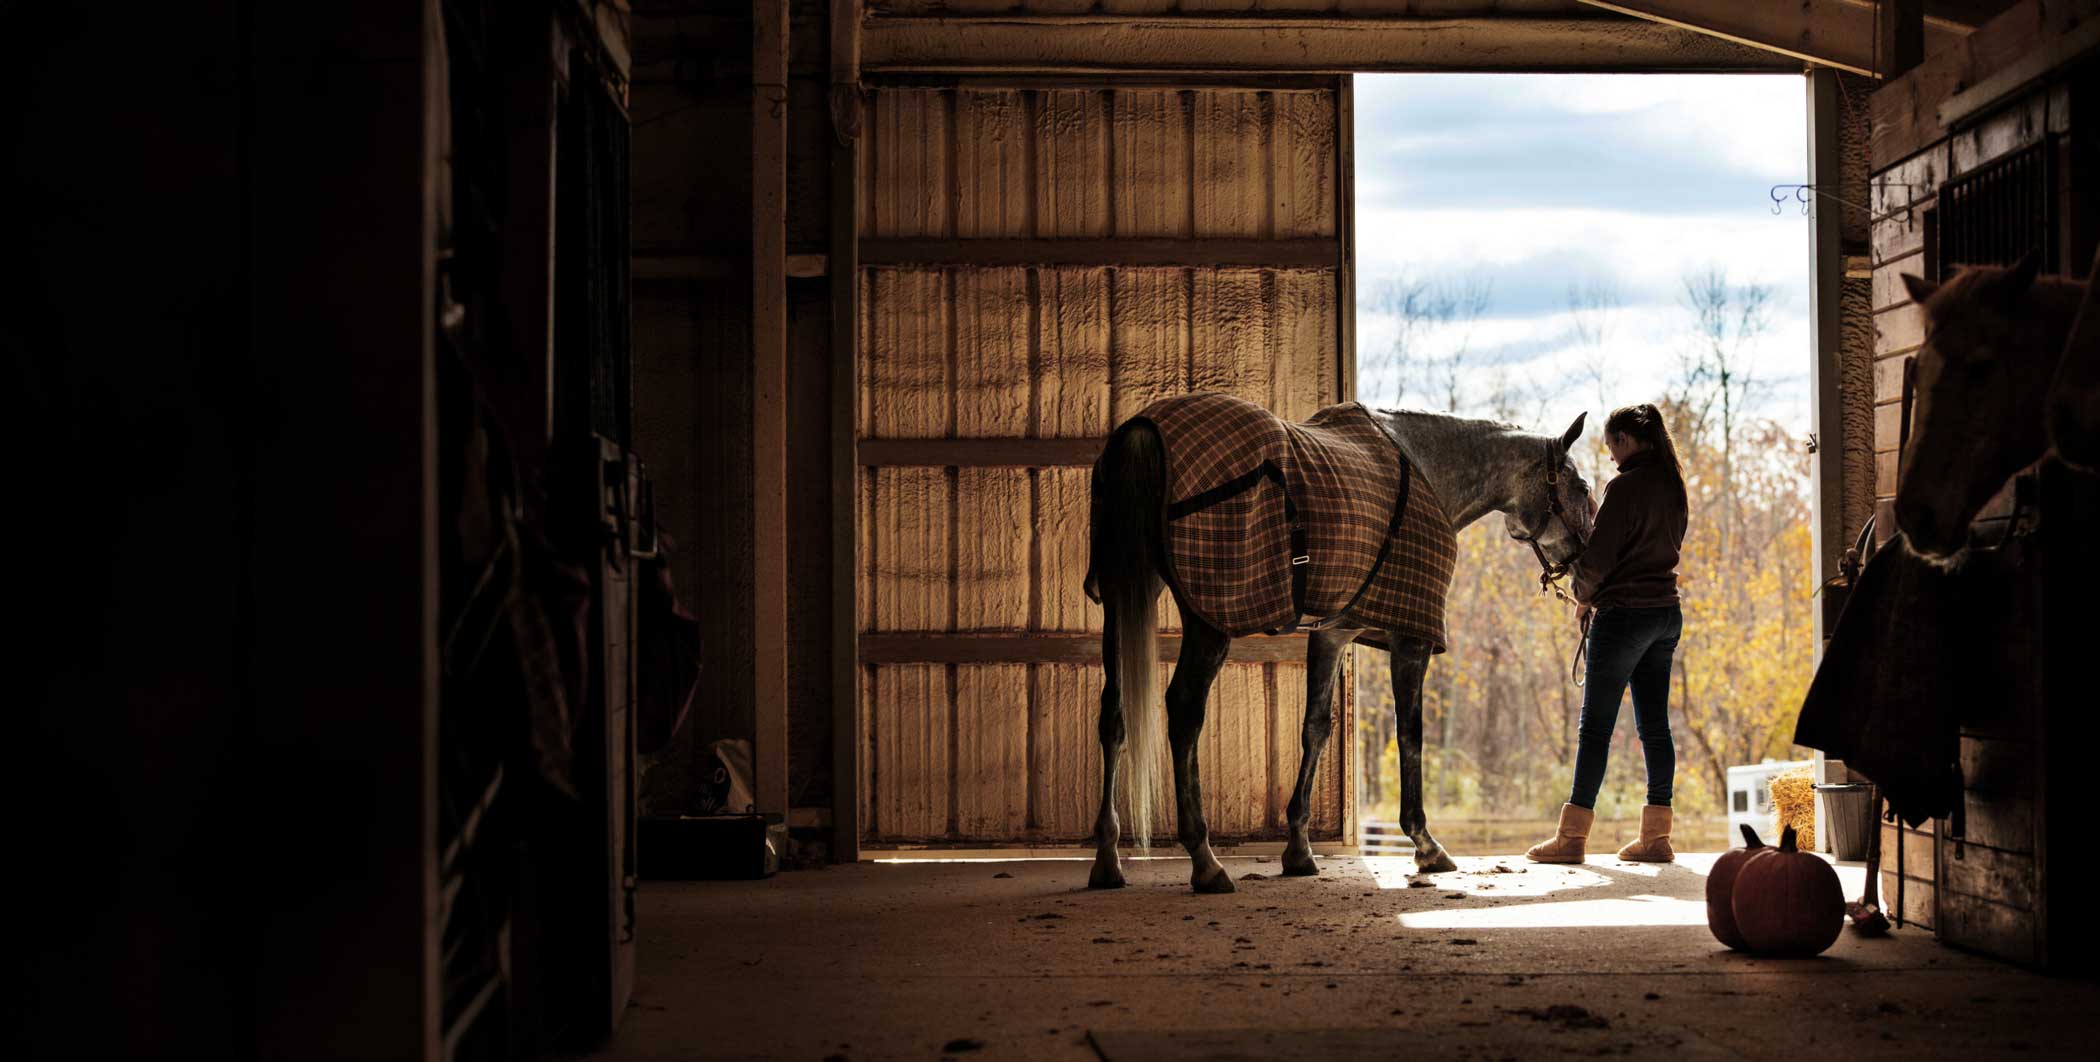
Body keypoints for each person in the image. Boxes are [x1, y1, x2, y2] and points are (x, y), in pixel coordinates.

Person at [1527, 403, 1689, 864]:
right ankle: (1656, 838)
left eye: (1613, 445)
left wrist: (1582, 595)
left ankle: (1571, 838)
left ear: (1627, 439)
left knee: (1595, 727)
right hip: (1665, 614)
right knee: (1654, 727)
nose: (1612, 456)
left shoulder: (1625, 486)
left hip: (1623, 616)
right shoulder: (1674, 485)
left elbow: (1598, 559)